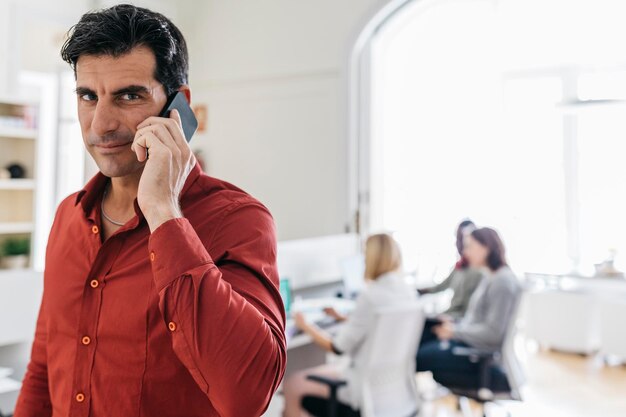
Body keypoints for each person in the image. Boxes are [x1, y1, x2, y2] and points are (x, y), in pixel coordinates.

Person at [14, 5, 285, 417]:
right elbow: (43, 368)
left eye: (128, 95)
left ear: (179, 106)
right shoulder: (68, 216)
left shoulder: (238, 220)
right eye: (88, 96)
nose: (100, 124)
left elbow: (247, 395)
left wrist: (163, 211)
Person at [283, 234, 417, 417]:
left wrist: (305, 326)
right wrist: (341, 318)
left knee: (291, 384)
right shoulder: (408, 293)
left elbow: (337, 347)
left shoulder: (370, 297)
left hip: (362, 392)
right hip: (395, 396)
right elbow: (377, 328)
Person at [416, 227, 521, 390]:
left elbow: (493, 334)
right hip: (470, 345)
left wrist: (454, 331)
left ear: (485, 247)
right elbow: (477, 320)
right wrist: (455, 324)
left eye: (469, 246)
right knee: (425, 333)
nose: (465, 252)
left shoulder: (502, 282)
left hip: (477, 356)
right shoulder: (491, 276)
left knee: (417, 356)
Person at [418, 220, 484, 345]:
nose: (458, 243)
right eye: (458, 238)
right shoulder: (459, 267)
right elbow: (442, 285)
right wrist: (420, 291)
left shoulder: (480, 272)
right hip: (450, 316)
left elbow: (473, 312)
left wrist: (454, 325)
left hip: (458, 320)